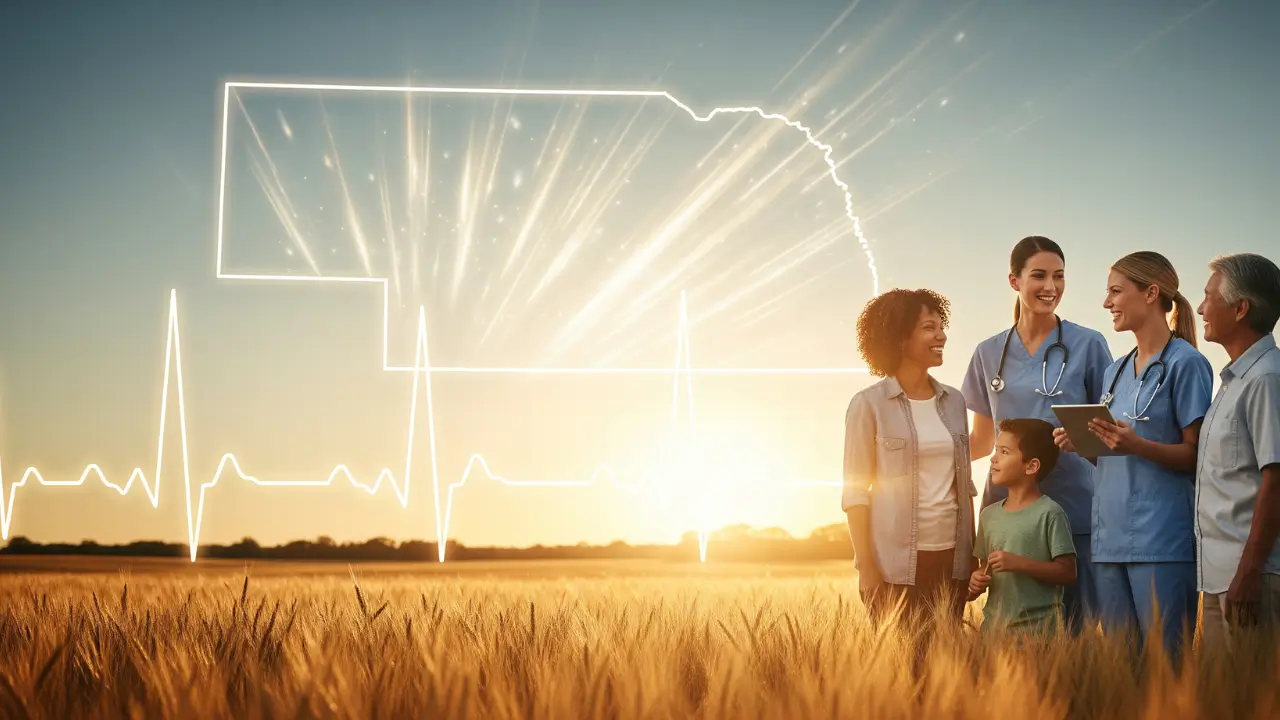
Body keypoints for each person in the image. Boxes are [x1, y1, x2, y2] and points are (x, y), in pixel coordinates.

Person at [1054, 251, 1212, 659]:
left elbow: (1197, 457)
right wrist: (1086, 444)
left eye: (1116, 291)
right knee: (1123, 671)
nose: (1107, 303)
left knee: (1165, 670)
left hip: (1160, 541)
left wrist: (1136, 445)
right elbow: (1115, 456)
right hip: (1109, 541)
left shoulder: (1187, 364)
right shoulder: (1115, 372)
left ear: (1151, 293)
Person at [962, 236, 1112, 631]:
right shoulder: (987, 353)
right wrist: (923, 462)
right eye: (1039, 276)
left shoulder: (1088, 344)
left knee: (1075, 627)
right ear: (1014, 281)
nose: (1051, 287)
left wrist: (1081, 440)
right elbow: (980, 440)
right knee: (1014, 625)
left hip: (1075, 504)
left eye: (1059, 276)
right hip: (1008, 511)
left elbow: (1107, 433)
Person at [843, 288, 977, 626]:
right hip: (895, 566)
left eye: (941, 326)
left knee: (947, 669)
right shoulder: (868, 405)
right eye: (929, 327)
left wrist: (970, 559)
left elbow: (964, 484)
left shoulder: (955, 402)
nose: (941, 335)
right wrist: (867, 568)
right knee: (904, 671)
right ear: (899, 338)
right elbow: (856, 493)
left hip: (952, 561)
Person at [1194, 252, 1280, 644]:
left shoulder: (1266, 380)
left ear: (1240, 308)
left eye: (1209, 296)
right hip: (1220, 578)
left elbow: (1275, 481)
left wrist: (1247, 573)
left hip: (1249, 580)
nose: (1200, 308)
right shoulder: (1232, 383)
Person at [968, 418, 1077, 635]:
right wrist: (976, 580)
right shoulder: (989, 516)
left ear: (1031, 466)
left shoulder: (1050, 513)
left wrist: (1018, 563)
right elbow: (983, 565)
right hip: (993, 634)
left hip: (1040, 636)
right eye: (996, 450)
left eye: (1004, 452)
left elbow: (1067, 572)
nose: (993, 458)